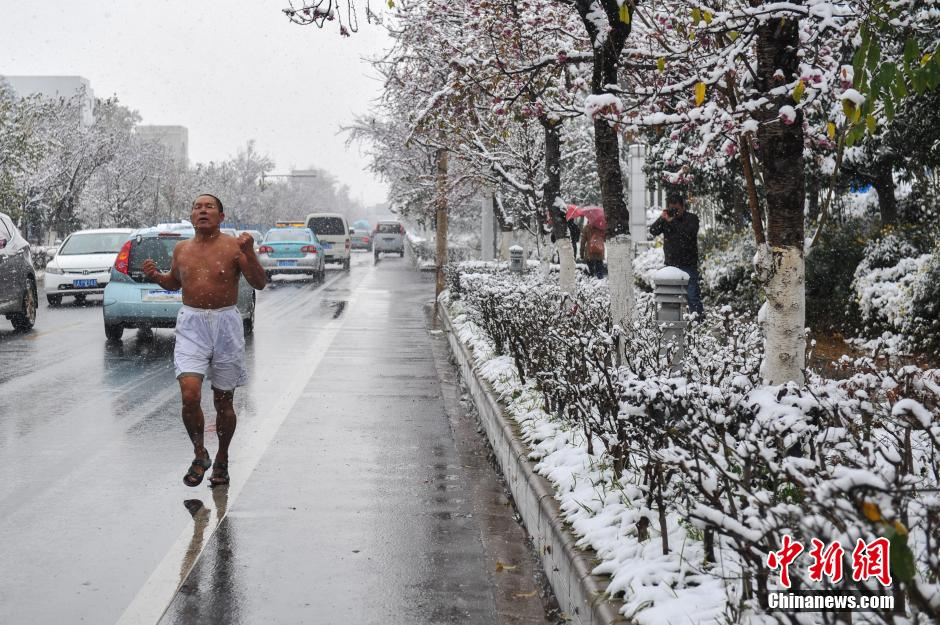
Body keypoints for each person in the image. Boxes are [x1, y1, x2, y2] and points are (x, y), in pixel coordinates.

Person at [142, 194, 267, 487]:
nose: (202, 211)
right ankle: (200, 453)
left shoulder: (235, 246)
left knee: (224, 401)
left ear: (221, 217)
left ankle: (221, 459)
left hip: (225, 324)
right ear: (191, 215)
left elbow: (259, 282)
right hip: (192, 324)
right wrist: (156, 276)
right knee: (189, 394)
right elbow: (175, 282)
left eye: (209, 207)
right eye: (197, 207)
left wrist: (251, 253)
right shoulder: (182, 249)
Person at [649, 193, 704, 318]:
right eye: (671, 208)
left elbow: (688, 234)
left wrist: (672, 222)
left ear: (683, 206)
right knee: (671, 298)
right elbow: (653, 231)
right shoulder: (666, 219)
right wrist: (662, 218)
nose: (674, 212)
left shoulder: (692, 218)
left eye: (676, 209)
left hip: (688, 264)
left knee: (692, 296)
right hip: (671, 265)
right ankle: (674, 322)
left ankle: (698, 322)